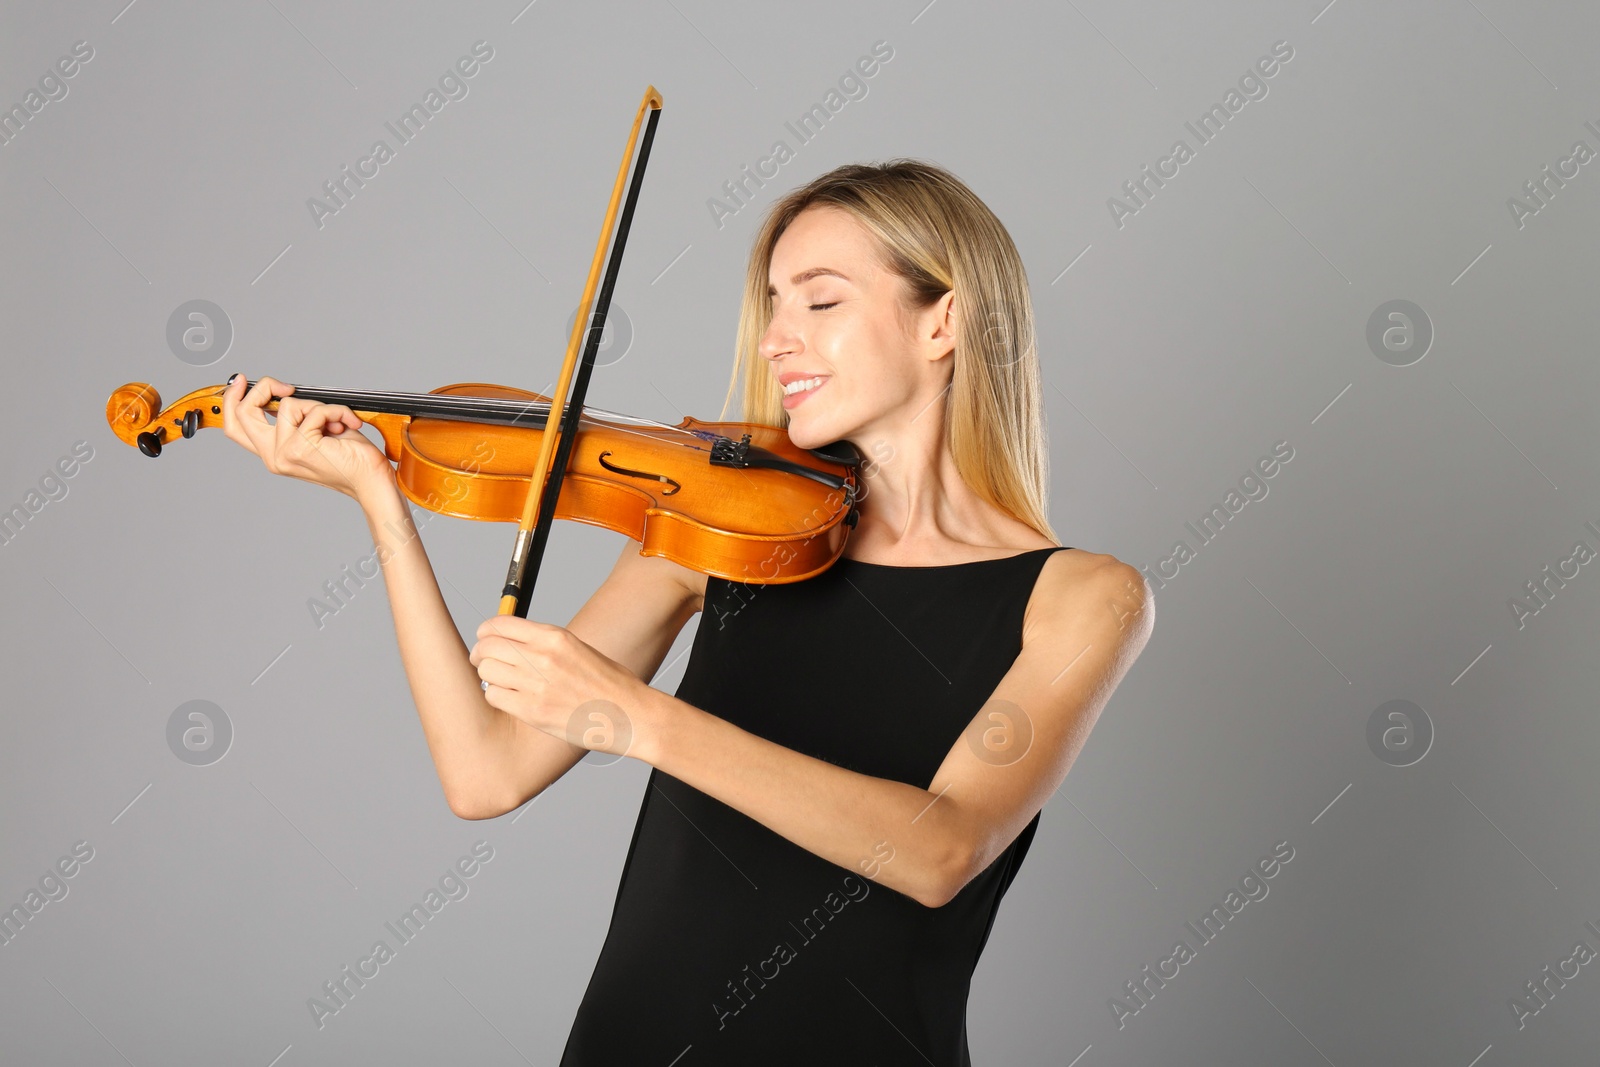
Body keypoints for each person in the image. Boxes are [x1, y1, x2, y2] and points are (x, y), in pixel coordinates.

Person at [218, 158, 1153, 1064]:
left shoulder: (1082, 598)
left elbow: (942, 849)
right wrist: (382, 502)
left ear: (943, 320)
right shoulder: (726, 533)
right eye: (773, 308)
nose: (777, 339)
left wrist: (641, 718)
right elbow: (484, 772)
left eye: (821, 301)